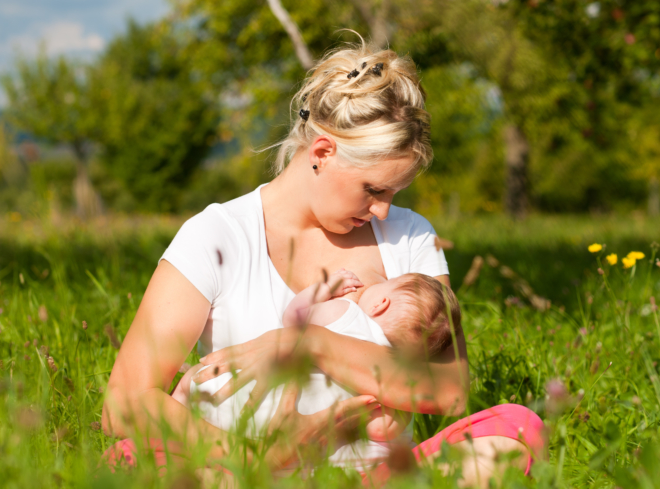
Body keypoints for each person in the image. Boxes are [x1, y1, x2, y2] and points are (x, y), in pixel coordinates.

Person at [102, 40, 545, 485]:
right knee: (131, 457)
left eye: (394, 193)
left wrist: (313, 344)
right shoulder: (219, 235)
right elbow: (125, 402)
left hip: (375, 476)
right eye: (373, 190)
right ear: (322, 153)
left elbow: (447, 390)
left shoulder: (410, 236)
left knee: (516, 430)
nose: (384, 211)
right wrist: (256, 456)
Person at [171, 269, 460, 468]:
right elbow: (382, 428)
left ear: (381, 303)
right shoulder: (398, 376)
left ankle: (177, 405)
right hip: (309, 436)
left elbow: (293, 319)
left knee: (193, 382)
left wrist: (322, 291)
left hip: (258, 404)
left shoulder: (346, 314)